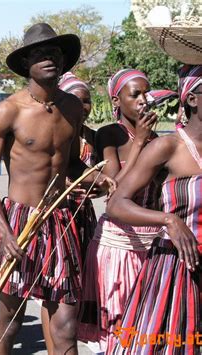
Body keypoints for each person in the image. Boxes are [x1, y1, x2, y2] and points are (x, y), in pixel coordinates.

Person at [0, 23, 114, 354]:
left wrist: (97, 178)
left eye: (55, 53)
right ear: (25, 64)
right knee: (11, 318)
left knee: (65, 325)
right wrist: (4, 233)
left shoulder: (72, 108)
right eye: (40, 54)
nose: (50, 59)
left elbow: (71, 164)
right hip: (18, 225)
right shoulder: (9, 111)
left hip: (61, 223)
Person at [107, 65, 202, 354]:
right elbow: (116, 203)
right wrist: (168, 220)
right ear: (193, 99)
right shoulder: (168, 147)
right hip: (177, 268)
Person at [78, 69, 162, 351]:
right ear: (116, 101)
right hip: (119, 245)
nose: (143, 100)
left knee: (148, 329)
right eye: (135, 94)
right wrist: (139, 141)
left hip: (153, 244)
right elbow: (115, 190)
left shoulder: (158, 139)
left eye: (146, 94)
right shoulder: (110, 135)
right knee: (118, 333)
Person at [58, 72, 98, 261]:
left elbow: (102, 175)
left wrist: (100, 188)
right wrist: (61, 184)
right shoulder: (54, 134)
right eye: (76, 100)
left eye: (87, 100)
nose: (82, 107)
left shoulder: (95, 137)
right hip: (58, 212)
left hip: (84, 214)